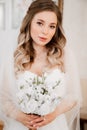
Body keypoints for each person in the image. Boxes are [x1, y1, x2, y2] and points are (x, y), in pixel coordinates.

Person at [0, 0, 82, 130]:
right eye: (40, 23)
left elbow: (73, 95)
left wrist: (52, 115)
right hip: (21, 126)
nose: (45, 31)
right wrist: (20, 117)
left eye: (52, 26)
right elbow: (3, 98)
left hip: (54, 125)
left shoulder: (64, 55)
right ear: (29, 22)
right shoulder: (15, 55)